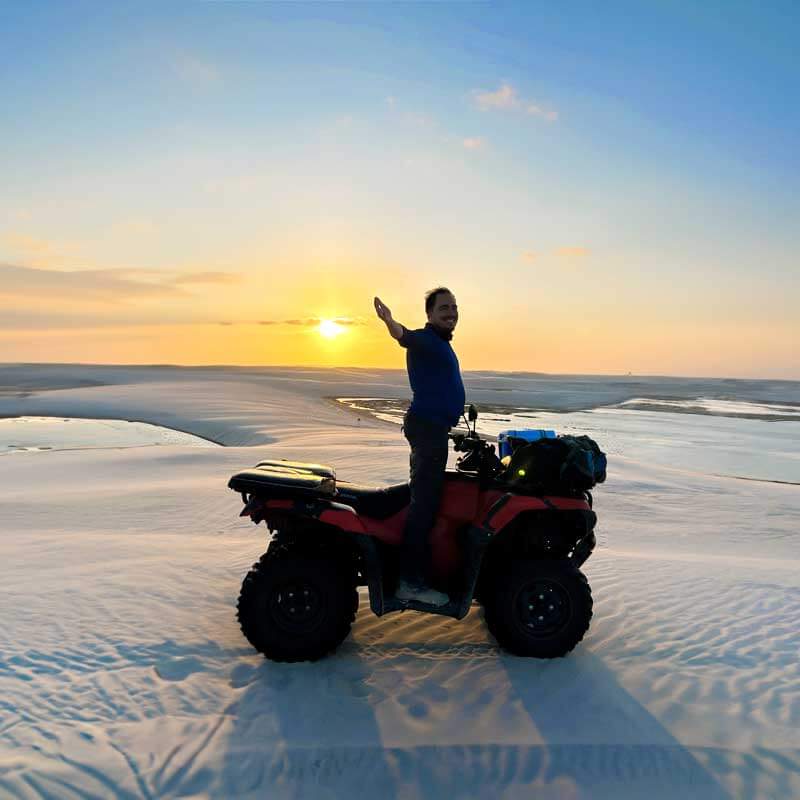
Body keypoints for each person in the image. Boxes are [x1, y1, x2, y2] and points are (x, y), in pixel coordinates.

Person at [373, 287, 465, 606]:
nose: (451, 312)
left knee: (427, 499)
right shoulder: (426, 339)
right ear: (429, 314)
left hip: (434, 429)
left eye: (454, 307)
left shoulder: (439, 342)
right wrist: (390, 321)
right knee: (424, 504)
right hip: (428, 429)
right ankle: (410, 583)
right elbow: (404, 336)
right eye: (444, 308)